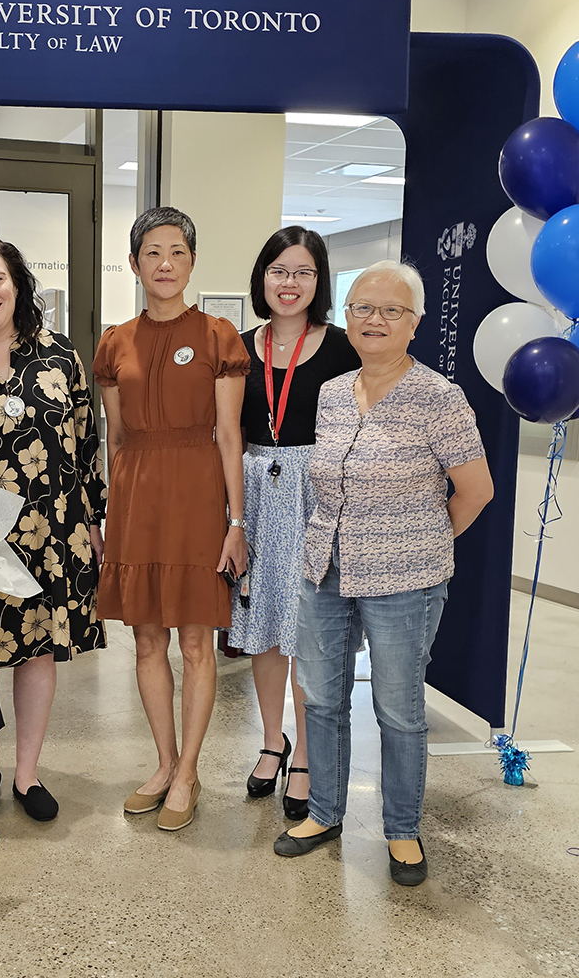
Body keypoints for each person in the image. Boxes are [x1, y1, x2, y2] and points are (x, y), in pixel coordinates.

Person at [273, 259, 493, 886]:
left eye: (390, 310)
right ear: (348, 318)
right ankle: (323, 812)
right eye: (362, 308)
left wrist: (424, 544)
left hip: (406, 581)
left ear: (415, 323)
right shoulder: (334, 392)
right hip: (326, 569)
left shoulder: (439, 398)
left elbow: (475, 490)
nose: (374, 319)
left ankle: (401, 829)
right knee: (322, 697)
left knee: (398, 709)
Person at [0, 232, 106, 822]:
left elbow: (86, 443)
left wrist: (94, 516)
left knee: (36, 652)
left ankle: (28, 774)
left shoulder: (61, 355)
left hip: (53, 529)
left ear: (17, 283)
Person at [93, 207, 250, 831]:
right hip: (137, 497)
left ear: (191, 262)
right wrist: (112, 510)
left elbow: (230, 435)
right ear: (134, 264)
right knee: (148, 639)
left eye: (177, 252)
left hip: (197, 494)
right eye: (152, 252)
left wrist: (236, 522)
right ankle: (162, 764)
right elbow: (117, 437)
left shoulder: (218, 336)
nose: (164, 263)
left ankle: (189, 770)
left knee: (194, 640)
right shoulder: (114, 343)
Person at [230, 227, 360, 820]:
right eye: (280, 270)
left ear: (319, 281)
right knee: (261, 625)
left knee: (307, 626)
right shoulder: (238, 346)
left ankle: (305, 752)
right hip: (254, 491)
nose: (290, 283)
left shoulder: (341, 348)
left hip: (316, 495)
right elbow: (225, 431)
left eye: (303, 272)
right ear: (262, 277)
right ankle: (270, 739)